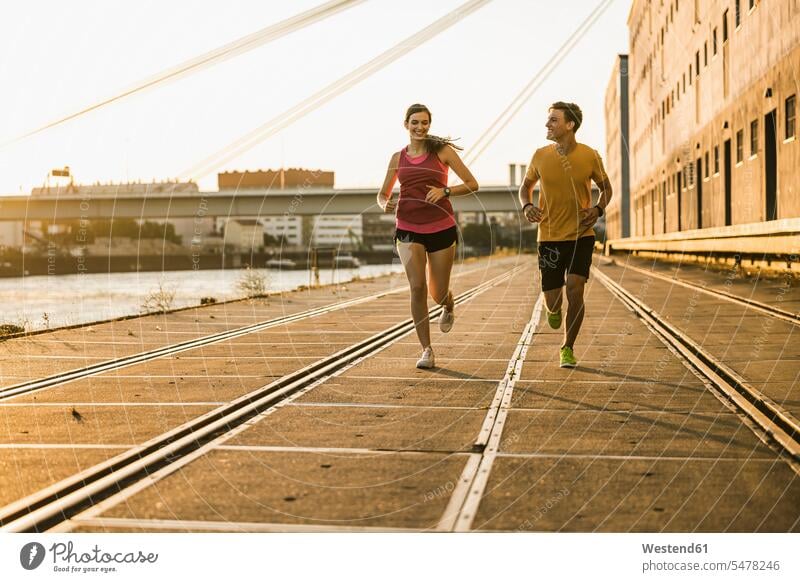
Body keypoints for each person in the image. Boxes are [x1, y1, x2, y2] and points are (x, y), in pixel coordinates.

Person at [376, 103, 479, 369]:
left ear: (429, 125)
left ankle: (448, 303)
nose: (420, 127)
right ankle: (427, 350)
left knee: (437, 292)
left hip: (441, 227)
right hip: (408, 227)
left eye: (424, 123)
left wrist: (445, 192)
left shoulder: (441, 152)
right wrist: (383, 203)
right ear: (406, 125)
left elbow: (472, 184)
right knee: (417, 287)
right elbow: (382, 193)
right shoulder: (397, 158)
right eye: (415, 123)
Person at [519, 101, 612, 368]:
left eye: (553, 120)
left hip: (581, 235)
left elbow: (607, 189)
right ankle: (553, 309)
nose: (547, 125)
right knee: (554, 297)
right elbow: (525, 188)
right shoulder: (540, 155)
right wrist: (527, 206)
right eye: (548, 120)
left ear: (569, 125)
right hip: (548, 236)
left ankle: (567, 347)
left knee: (575, 288)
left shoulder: (590, 155)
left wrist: (598, 209)